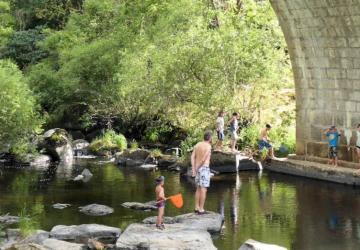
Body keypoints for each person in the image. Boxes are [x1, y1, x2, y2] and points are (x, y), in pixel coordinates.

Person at [191, 131, 212, 215]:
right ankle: (201, 209)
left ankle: (196, 207)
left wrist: (194, 169)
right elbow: (203, 159)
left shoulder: (197, 145)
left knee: (198, 188)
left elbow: (192, 157)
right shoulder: (208, 146)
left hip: (197, 168)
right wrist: (197, 168)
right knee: (204, 189)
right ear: (210, 138)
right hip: (204, 168)